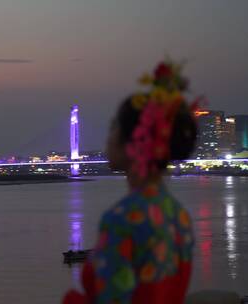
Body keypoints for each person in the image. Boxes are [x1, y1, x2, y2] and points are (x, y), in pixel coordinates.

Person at [63, 59, 199, 304]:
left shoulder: (122, 220)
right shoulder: (179, 216)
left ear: (134, 144)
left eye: (113, 127)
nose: (107, 138)